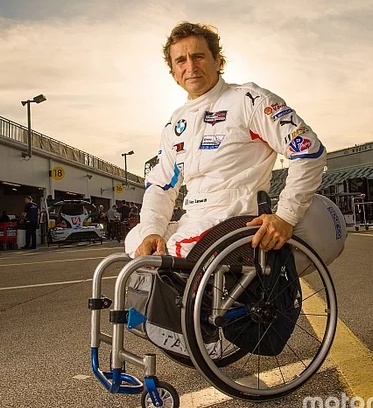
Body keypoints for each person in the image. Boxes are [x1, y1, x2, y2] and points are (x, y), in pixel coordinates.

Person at [127, 22, 327, 259]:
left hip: (237, 216)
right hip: (194, 218)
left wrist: (285, 216)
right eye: (181, 61)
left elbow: (308, 149)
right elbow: (161, 185)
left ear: (218, 61)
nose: (190, 67)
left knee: (173, 250)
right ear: (173, 74)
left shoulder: (248, 100)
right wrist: (152, 232)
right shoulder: (175, 123)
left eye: (198, 56)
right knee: (137, 240)